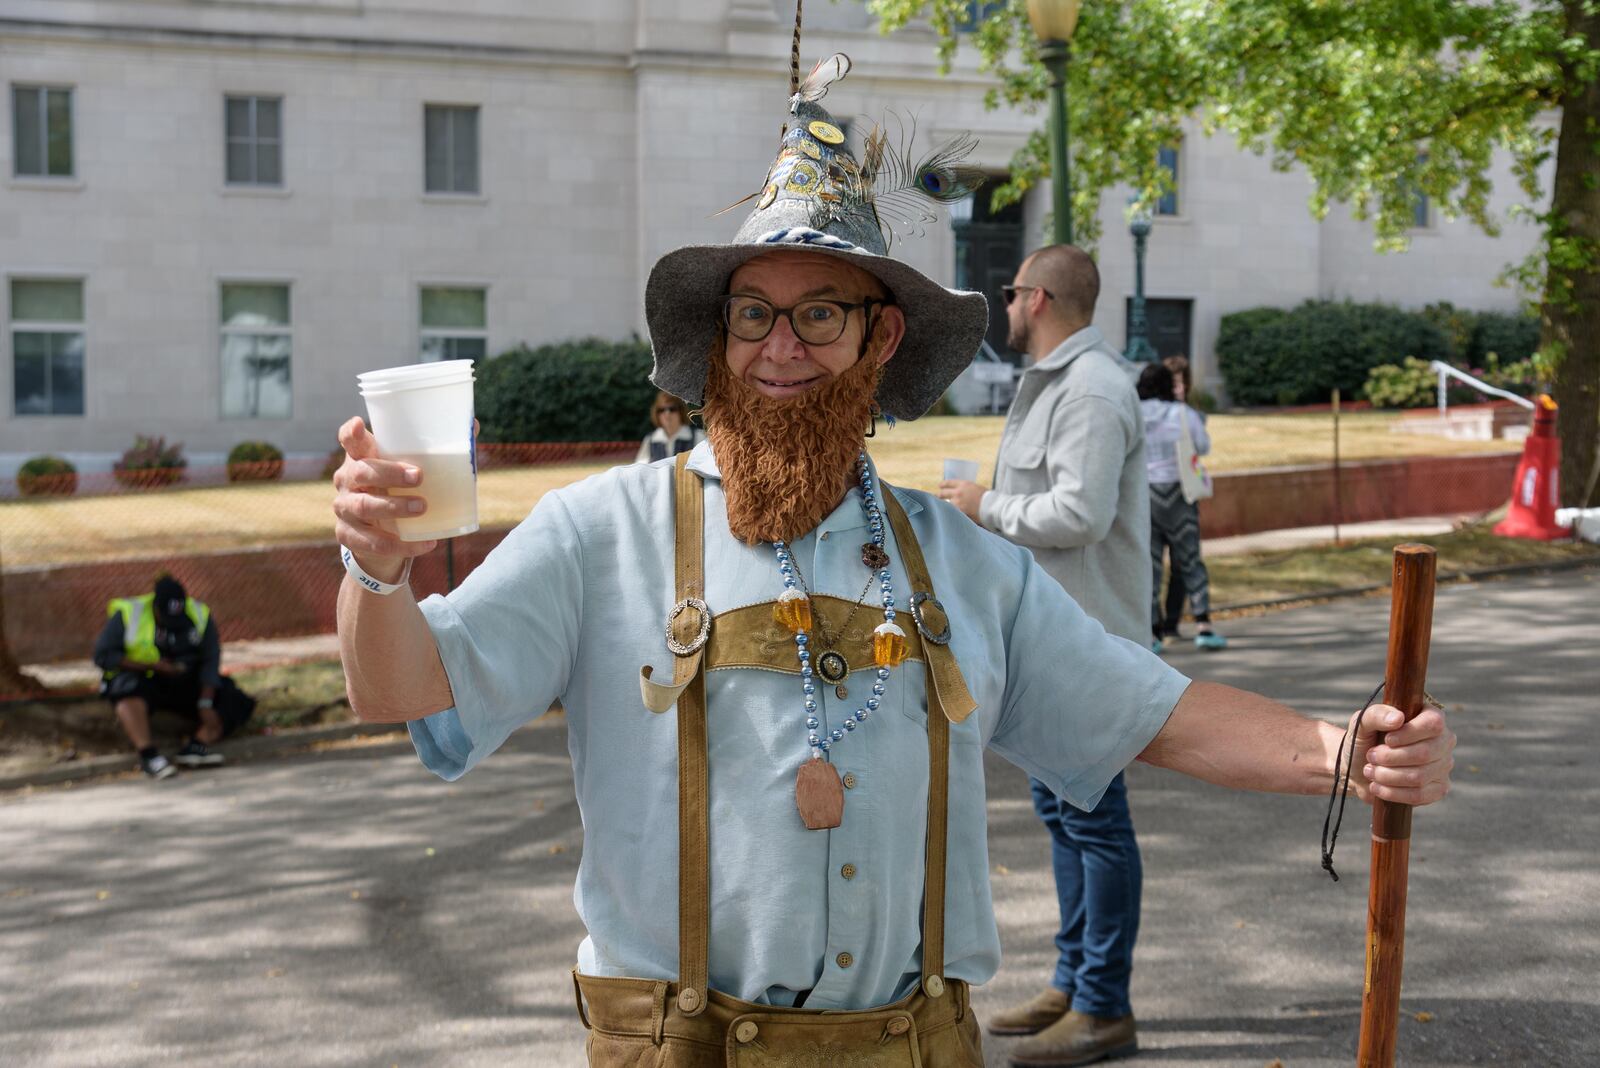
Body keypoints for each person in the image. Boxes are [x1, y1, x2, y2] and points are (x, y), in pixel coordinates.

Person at [331, 35, 1454, 1068]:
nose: (781, 347)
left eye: (821, 313)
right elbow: (401, 689)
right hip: (674, 1049)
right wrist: (376, 568)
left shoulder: (961, 562)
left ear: (880, 339)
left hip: (915, 1046)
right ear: (716, 345)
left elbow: (1150, 711)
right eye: (751, 315)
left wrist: (1339, 750)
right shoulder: (597, 533)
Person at [938, 246, 1161, 1065]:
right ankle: (1075, 984)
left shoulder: (1094, 389)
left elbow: (1082, 512)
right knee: (1069, 819)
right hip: (1050, 636)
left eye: (1011, 292)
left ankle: (1103, 1006)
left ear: (1035, 297)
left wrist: (981, 504)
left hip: (1089, 644)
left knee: (1096, 825)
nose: (1005, 305)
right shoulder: (1062, 383)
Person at [94, 574, 255, 779]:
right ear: (155, 607)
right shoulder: (130, 614)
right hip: (146, 677)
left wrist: (205, 702)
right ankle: (149, 756)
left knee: (235, 699)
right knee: (126, 688)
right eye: (167, 619)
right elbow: (103, 655)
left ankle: (196, 746)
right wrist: (153, 666)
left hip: (182, 682)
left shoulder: (199, 614)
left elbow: (210, 661)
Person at [1140, 362, 1226, 652]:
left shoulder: (1133, 413)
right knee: (1190, 559)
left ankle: (1152, 632)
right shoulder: (1182, 414)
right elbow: (1202, 446)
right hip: (1179, 494)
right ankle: (1203, 624)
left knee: (1150, 565)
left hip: (1145, 496)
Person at [1156, 355, 1193, 639]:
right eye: (1173, 383)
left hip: (1185, 492)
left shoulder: (1188, 413)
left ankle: (1172, 621)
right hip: (1156, 493)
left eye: (1181, 382)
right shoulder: (1152, 412)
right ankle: (1154, 623)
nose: (1178, 388)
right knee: (1152, 561)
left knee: (1182, 562)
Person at [635, 390, 704, 463]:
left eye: (672, 409)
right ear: (656, 413)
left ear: (681, 411)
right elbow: (641, 468)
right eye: (661, 410)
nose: (667, 414)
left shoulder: (698, 437)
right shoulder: (650, 440)